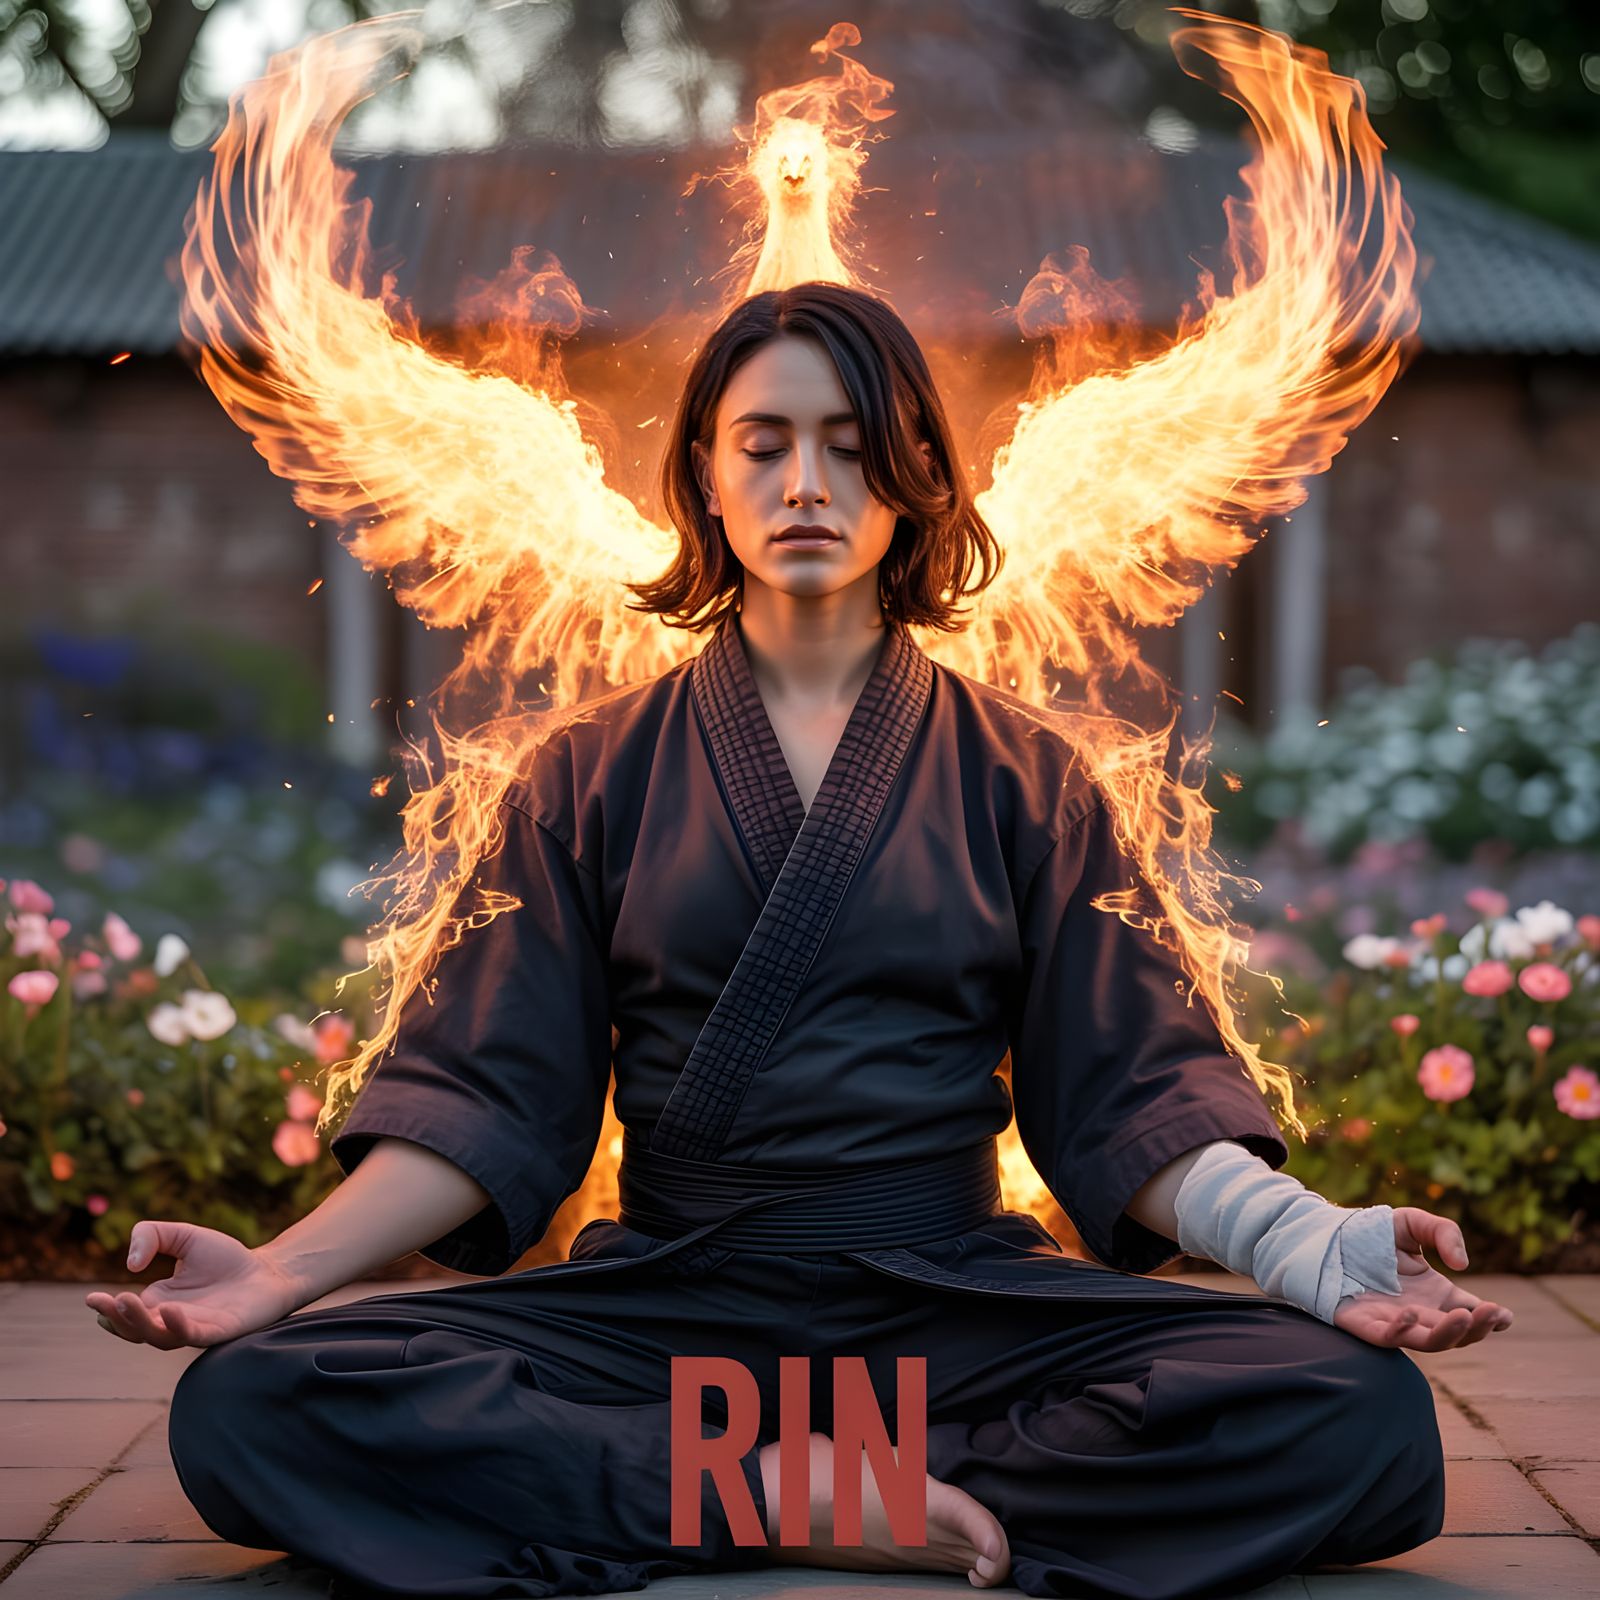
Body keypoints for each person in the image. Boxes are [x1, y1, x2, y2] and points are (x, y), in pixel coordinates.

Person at [88, 283, 1512, 1600]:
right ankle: (793, 1495)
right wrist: (274, 1276)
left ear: (917, 479)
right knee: (253, 1400)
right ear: (706, 475)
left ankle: (772, 1489)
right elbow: (480, 1095)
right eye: (762, 445)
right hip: (673, 1301)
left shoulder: (1026, 775)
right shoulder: (588, 774)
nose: (808, 483)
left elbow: (1132, 1089)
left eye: (851, 443)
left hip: (947, 1297)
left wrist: (1314, 1246)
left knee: (1360, 1415)